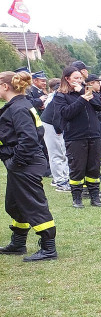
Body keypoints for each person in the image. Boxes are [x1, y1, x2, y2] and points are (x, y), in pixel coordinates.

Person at [0, 70, 57, 260]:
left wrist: (16, 162)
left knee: (34, 205)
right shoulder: (20, 104)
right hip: (21, 164)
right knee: (14, 204)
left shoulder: (18, 108)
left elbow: (29, 139)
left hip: (25, 164)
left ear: (5, 86)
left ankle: (49, 248)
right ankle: (18, 243)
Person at [52, 66, 101, 208]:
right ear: (67, 79)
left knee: (94, 167)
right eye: (75, 78)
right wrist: (81, 99)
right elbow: (66, 114)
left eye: (80, 78)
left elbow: (100, 106)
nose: (79, 80)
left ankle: (95, 197)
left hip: (94, 135)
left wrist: (83, 92)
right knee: (77, 168)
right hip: (75, 137)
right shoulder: (60, 95)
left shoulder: (86, 91)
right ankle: (77, 198)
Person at [39, 78, 71, 192]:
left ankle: (63, 178)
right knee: (57, 153)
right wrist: (58, 129)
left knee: (62, 152)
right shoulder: (60, 94)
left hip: (55, 123)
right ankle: (60, 182)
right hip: (51, 123)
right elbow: (56, 114)